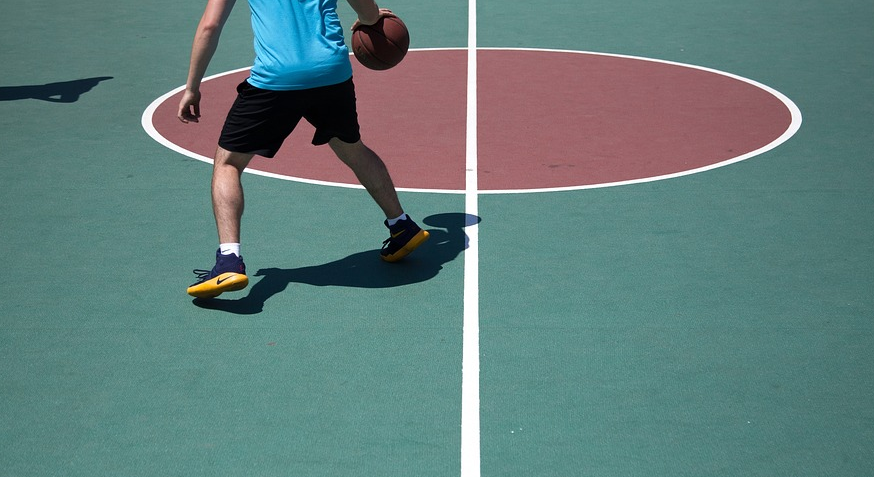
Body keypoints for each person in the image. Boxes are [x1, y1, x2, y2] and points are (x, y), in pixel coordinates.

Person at [177, 0, 429, 299]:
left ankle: (229, 260)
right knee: (353, 149)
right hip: (331, 72)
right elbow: (364, 6)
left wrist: (192, 86)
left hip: (277, 78)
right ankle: (401, 225)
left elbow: (210, 25)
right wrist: (371, 18)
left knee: (228, 164)